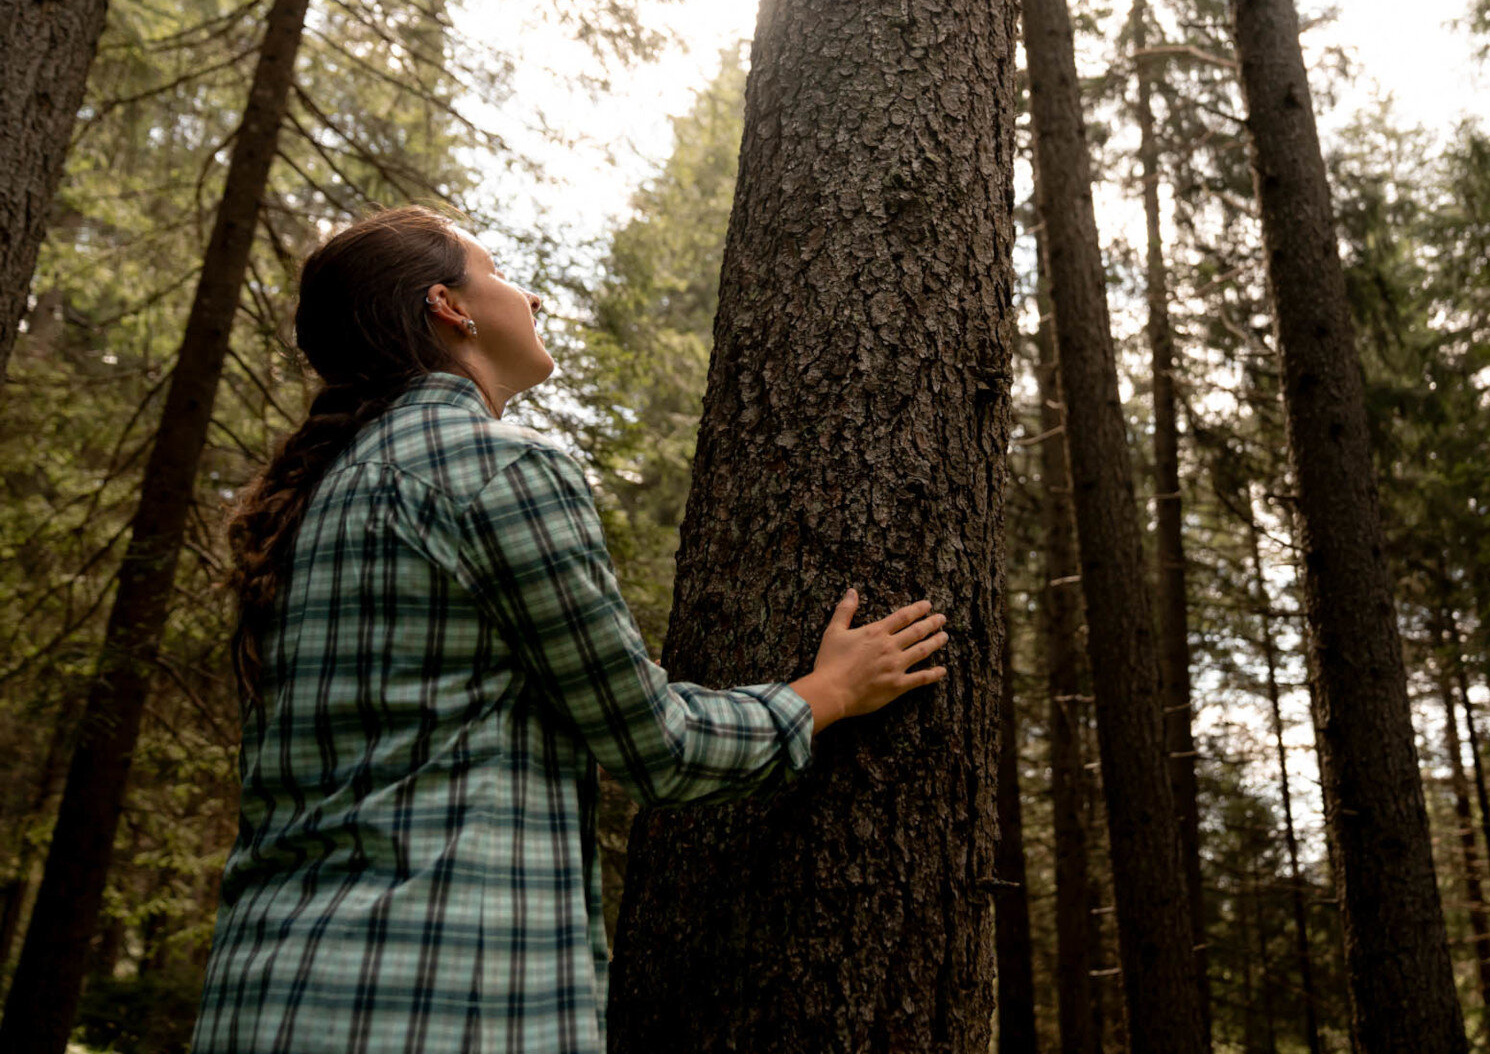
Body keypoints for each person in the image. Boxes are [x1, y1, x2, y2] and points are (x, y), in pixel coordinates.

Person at [191, 205, 948, 1053]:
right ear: (450, 308)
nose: (534, 296)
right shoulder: (501, 466)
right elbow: (655, 747)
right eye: (500, 271)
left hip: (261, 994)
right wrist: (827, 694)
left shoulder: (308, 501)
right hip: (435, 999)